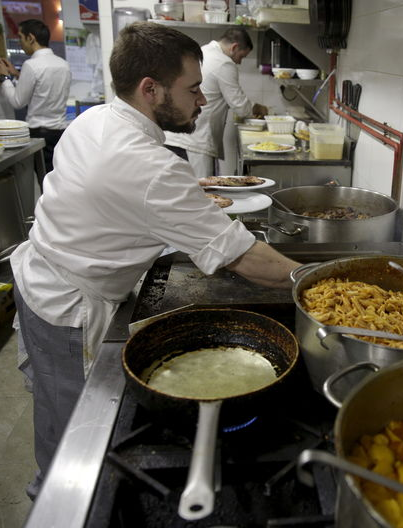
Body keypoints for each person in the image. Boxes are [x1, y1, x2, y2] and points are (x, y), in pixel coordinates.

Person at [10, 22, 299, 500]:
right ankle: (54, 507)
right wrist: (321, 282)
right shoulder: (150, 167)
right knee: (69, 447)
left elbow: (127, 198)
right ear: (150, 89)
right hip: (65, 307)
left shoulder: (96, 119)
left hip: (40, 277)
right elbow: (247, 260)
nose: (201, 102)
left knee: (55, 416)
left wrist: (192, 195)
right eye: (192, 90)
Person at [164, 27, 267, 177]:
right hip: (195, 142)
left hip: (177, 138)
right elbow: (240, 106)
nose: (239, 62)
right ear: (234, 47)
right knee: (202, 192)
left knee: (183, 189)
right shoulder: (224, 63)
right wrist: (258, 109)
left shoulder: (204, 51)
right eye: (241, 56)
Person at [0, 19, 71, 181]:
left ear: (31, 38)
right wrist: (18, 75)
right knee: (58, 180)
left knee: (44, 181)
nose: (20, 43)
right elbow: (44, 86)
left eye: (20, 37)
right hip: (59, 132)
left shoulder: (31, 65)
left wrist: (5, 77)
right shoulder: (63, 64)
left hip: (39, 134)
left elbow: (18, 102)